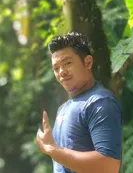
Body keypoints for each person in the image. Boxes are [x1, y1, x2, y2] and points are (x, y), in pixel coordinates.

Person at [36, 32, 122, 173]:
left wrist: (52, 149)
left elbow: (109, 166)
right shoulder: (63, 108)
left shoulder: (100, 102)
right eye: (56, 68)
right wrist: (52, 148)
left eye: (67, 63)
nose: (61, 72)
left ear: (88, 62)